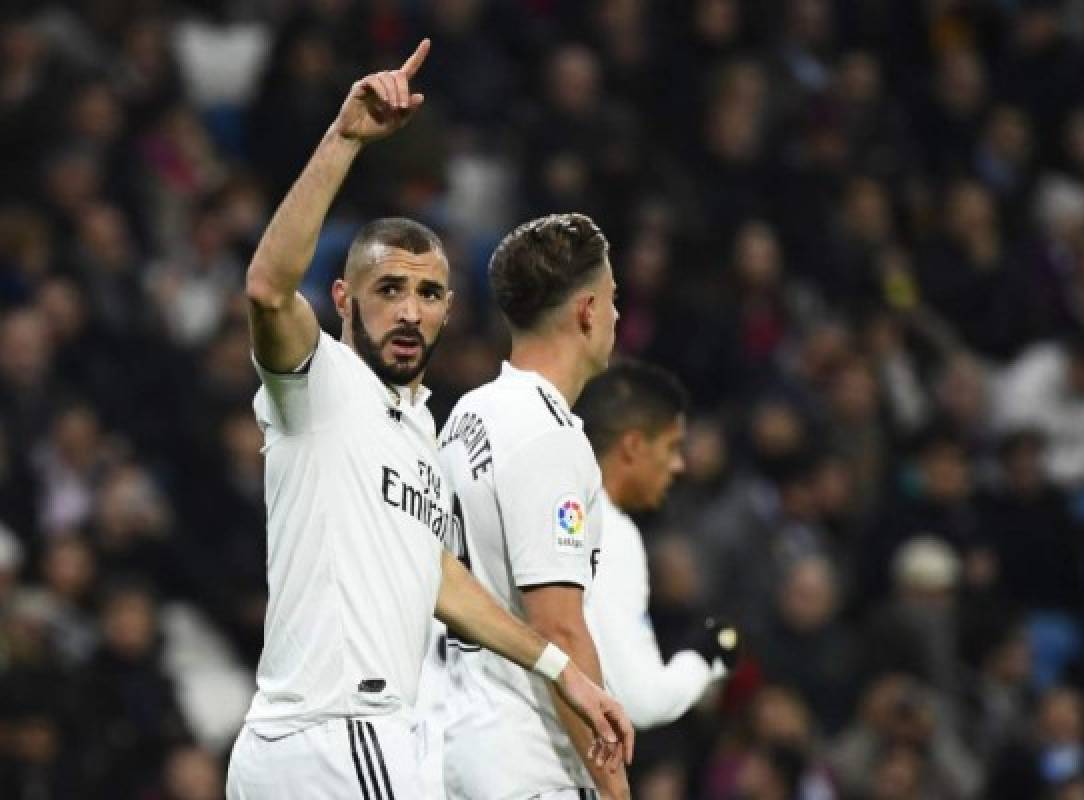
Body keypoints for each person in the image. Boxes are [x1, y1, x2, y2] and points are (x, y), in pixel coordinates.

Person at [225, 40, 633, 799]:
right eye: (388, 289)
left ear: (449, 311)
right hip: (342, 736)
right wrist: (345, 138)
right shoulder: (320, 383)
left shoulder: (417, 428)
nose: (410, 310)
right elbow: (267, 289)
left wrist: (560, 670)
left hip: (330, 743)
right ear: (345, 302)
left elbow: (437, 576)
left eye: (430, 293)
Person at [436, 212, 629, 798]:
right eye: (613, 298)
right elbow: (559, 631)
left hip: (455, 745)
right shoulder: (548, 439)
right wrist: (613, 785)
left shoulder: (469, 414)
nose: (618, 316)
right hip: (529, 762)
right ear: (587, 311)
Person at [573, 360, 736, 729]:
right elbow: (642, 701)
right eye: (672, 447)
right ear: (632, 446)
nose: (678, 465)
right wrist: (706, 655)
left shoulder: (553, 506)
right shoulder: (610, 531)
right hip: (534, 771)